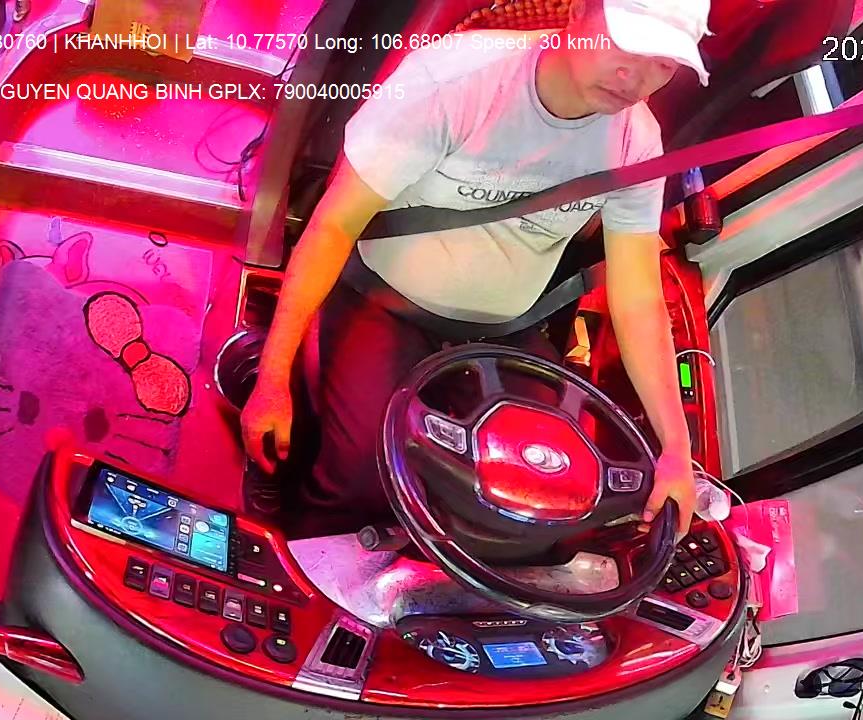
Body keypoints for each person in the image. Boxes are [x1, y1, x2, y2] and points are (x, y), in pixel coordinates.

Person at [241, 0, 712, 539]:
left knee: (542, 493)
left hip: (506, 329)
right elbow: (334, 224)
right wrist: (272, 378)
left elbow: (638, 297)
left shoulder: (637, 142)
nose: (637, 77)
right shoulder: (456, 80)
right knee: (360, 483)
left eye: (664, 64)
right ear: (578, 12)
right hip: (383, 300)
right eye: (625, 45)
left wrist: (677, 450)